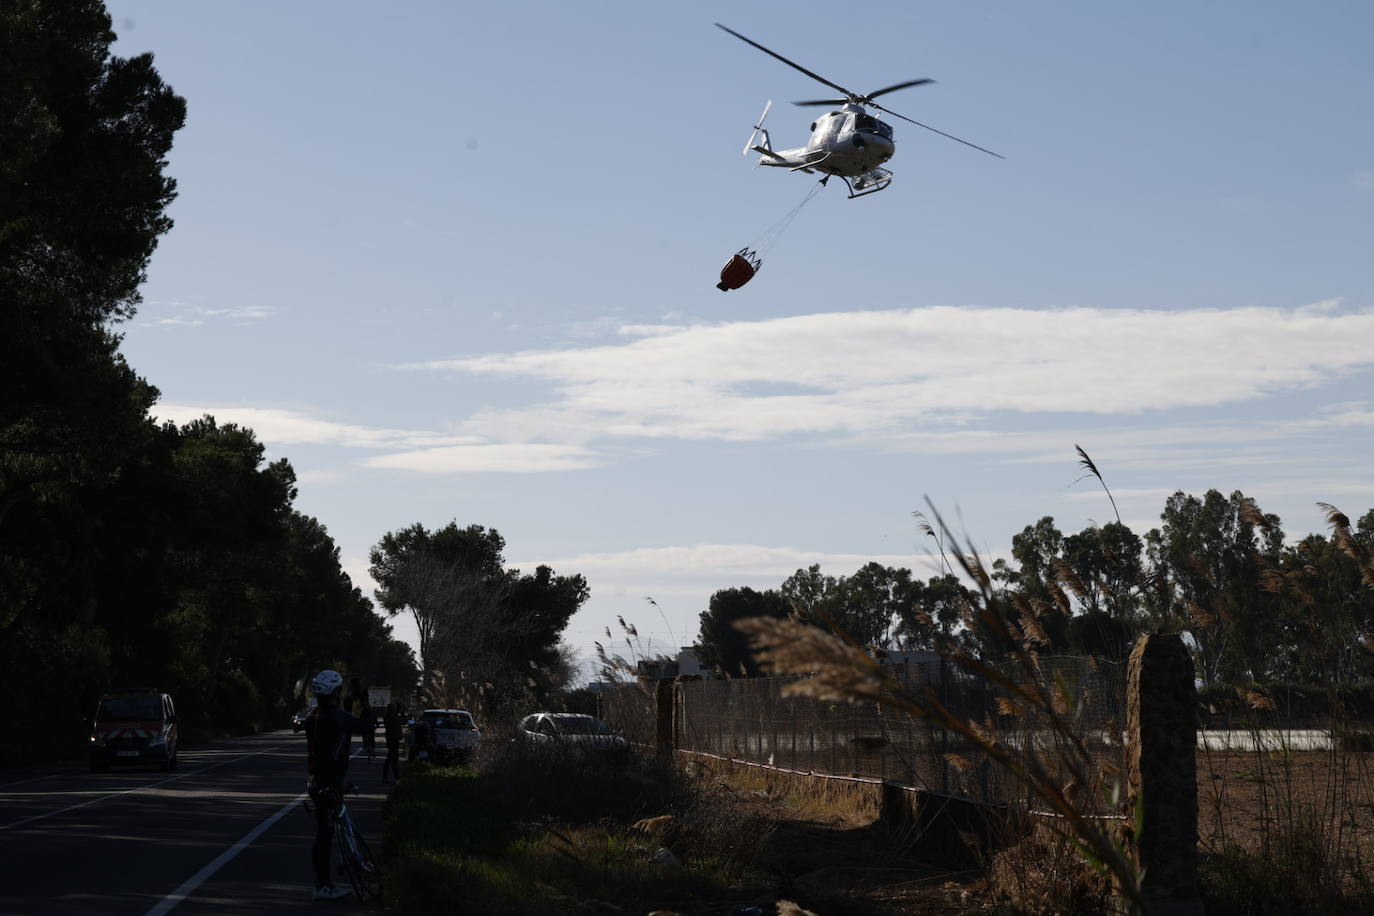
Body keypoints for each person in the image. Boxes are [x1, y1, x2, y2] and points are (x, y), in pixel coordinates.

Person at [303, 669, 363, 901]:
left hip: (318, 782)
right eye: (339, 690)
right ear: (335, 692)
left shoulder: (313, 717)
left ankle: (322, 883)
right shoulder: (336, 716)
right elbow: (365, 726)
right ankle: (323, 885)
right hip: (330, 783)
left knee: (323, 834)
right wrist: (362, 703)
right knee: (325, 837)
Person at [381, 702, 404, 783]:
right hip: (394, 739)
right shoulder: (394, 717)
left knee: (390, 758)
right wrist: (402, 713)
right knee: (393, 759)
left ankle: (387, 777)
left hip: (391, 739)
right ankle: (396, 777)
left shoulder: (387, 716)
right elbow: (403, 721)